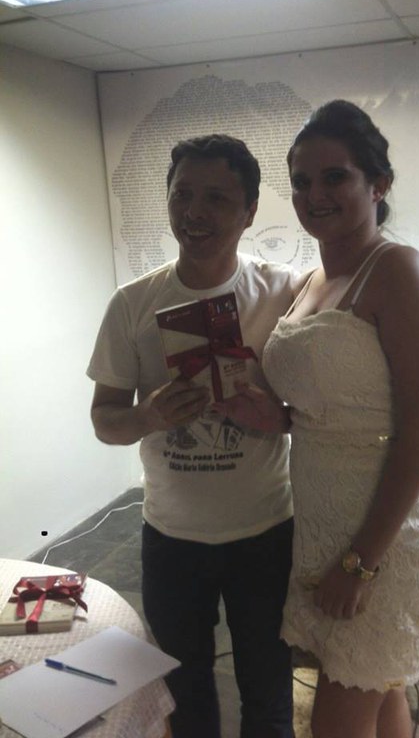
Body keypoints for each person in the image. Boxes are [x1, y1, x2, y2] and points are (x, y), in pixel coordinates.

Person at [217, 101, 419, 738]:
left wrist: (360, 562)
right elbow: (334, 409)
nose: (313, 194)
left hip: (388, 538)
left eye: (335, 177)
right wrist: (275, 417)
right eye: (301, 181)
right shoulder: (314, 279)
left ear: (378, 185)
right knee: (379, 691)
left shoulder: (398, 271)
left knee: (341, 712)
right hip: (328, 523)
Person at [87, 134, 299, 738]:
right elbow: (104, 421)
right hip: (172, 537)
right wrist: (148, 417)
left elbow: (318, 410)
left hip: (265, 531)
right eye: (182, 195)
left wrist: (277, 416)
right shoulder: (132, 304)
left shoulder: (285, 291)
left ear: (249, 211)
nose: (194, 212)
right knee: (185, 700)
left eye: (216, 198)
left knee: (269, 695)